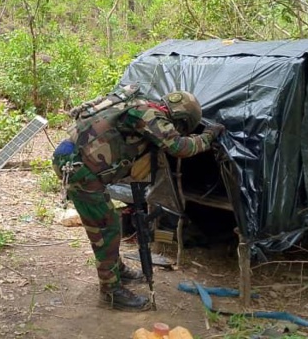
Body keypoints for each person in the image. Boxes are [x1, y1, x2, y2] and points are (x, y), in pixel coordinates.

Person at [52, 84, 225, 311]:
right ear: (181, 118)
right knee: (106, 228)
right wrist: (208, 135)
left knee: (108, 224)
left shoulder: (141, 105)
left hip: (76, 161)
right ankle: (110, 293)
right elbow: (180, 147)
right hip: (77, 168)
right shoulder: (150, 115)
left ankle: (116, 271)